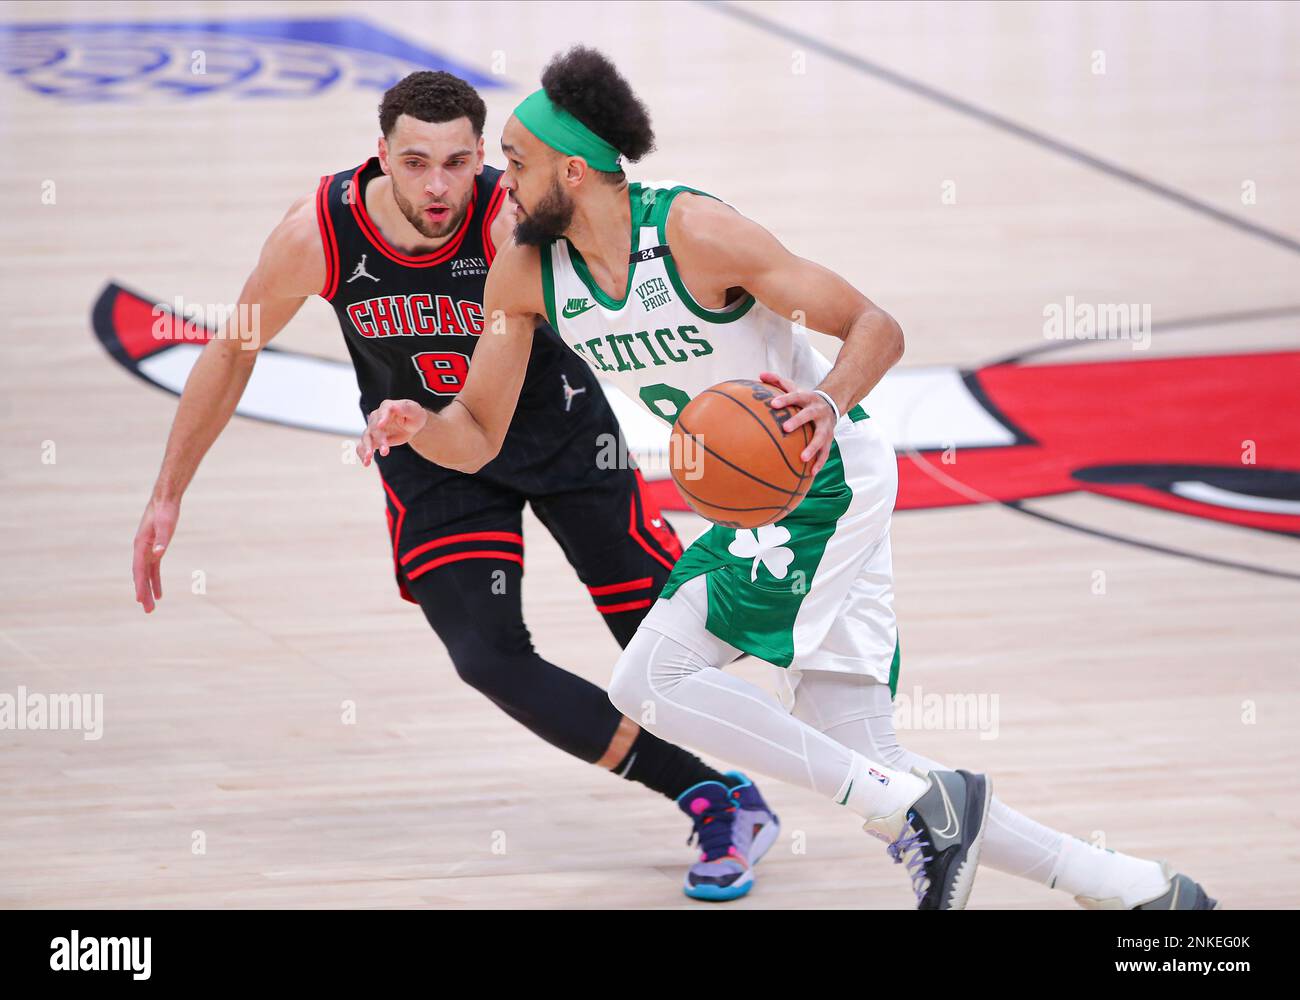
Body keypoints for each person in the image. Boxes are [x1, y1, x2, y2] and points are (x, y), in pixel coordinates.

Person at [359, 48, 1219, 911]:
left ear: (572, 173)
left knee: (650, 682)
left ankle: (914, 812)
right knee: (864, 750)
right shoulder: (525, 272)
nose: (500, 182)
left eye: (516, 161)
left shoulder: (694, 231)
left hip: (824, 476)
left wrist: (829, 400)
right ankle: (1134, 888)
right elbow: (473, 436)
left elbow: (875, 325)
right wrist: (417, 426)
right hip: (761, 503)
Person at [132, 70, 779, 903]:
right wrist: (168, 491)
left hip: (561, 433)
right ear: (380, 157)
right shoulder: (317, 235)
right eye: (414, 163)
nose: (438, 186)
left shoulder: (514, 221)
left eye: (458, 162)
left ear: (484, 155)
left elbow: (637, 280)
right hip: (429, 447)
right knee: (486, 655)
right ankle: (708, 794)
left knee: (655, 642)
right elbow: (232, 351)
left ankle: (859, 765)